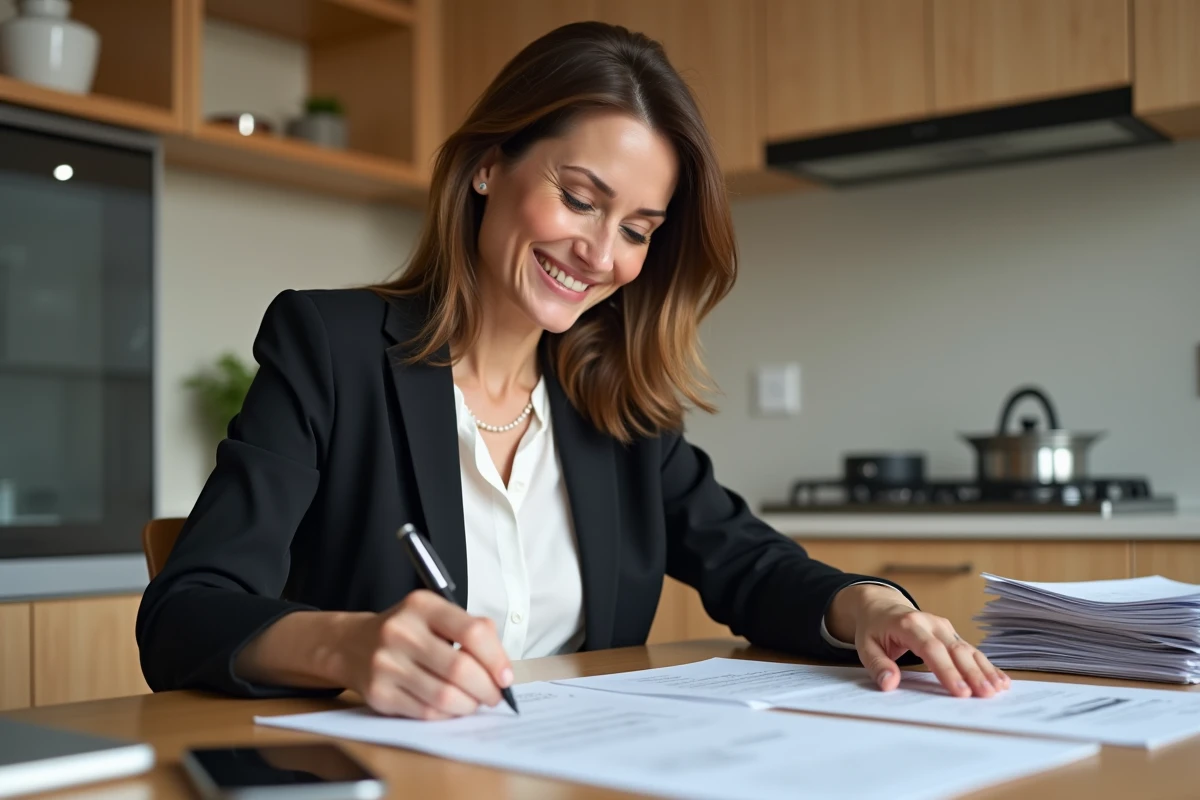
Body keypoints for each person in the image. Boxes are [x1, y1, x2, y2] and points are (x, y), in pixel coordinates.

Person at [136, 22, 1009, 719]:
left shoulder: (616, 404)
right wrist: (350, 647)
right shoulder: (330, 348)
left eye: (636, 228)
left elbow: (750, 565)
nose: (598, 251)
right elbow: (185, 613)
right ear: (488, 164)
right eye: (580, 198)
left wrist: (876, 610)